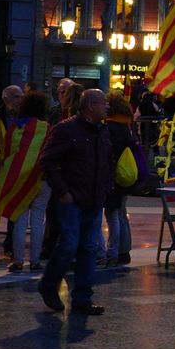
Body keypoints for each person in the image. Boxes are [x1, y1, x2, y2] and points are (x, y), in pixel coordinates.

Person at [37, 88, 113, 316]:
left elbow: (107, 160)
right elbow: (47, 161)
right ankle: (49, 284)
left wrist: (107, 186)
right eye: (103, 102)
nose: (106, 106)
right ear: (90, 105)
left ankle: (82, 297)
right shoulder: (67, 129)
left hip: (94, 198)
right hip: (72, 196)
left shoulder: (102, 130)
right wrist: (62, 190)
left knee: (89, 247)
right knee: (70, 243)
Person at [3, 91, 52, 273]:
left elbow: (7, 151)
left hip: (20, 178)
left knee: (19, 219)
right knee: (38, 219)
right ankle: (35, 260)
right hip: (42, 179)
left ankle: (17, 260)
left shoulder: (15, 127)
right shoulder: (46, 127)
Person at [101, 93, 139, 268]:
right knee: (121, 214)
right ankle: (124, 250)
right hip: (124, 175)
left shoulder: (110, 128)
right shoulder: (126, 126)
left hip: (113, 175)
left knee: (113, 215)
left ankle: (115, 251)